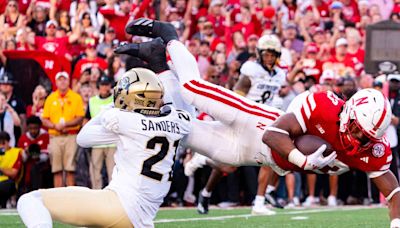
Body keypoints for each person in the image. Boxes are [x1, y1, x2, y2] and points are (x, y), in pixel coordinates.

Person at [122, 18, 400, 226]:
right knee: (192, 89)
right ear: (349, 112)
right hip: (254, 120)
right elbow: (273, 134)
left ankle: (158, 62)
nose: (358, 139)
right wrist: (303, 161)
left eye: (365, 136)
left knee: (180, 128)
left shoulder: (372, 149)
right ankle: (169, 35)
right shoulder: (323, 105)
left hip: (250, 155)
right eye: (355, 129)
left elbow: (394, 193)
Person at [17, 68, 192, 228]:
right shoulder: (180, 120)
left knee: (30, 200)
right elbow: (173, 108)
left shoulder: (124, 120)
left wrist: (108, 108)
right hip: (143, 217)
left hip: (119, 206)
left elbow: (83, 138)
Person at [41, 71, 85, 187]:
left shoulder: (76, 97)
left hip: (71, 135)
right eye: (60, 79)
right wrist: (55, 126)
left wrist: (66, 124)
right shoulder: (50, 98)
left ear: (68, 81)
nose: (62, 82)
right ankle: (58, 196)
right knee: (57, 169)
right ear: (56, 82)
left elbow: (80, 117)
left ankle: (70, 197)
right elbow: (44, 119)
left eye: (64, 79)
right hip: (55, 136)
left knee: (70, 168)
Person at [84, 75, 116, 189]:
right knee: (94, 172)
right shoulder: (92, 101)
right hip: (97, 141)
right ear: (98, 86)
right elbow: (86, 119)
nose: (104, 87)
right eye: (102, 85)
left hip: (112, 141)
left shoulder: (115, 99)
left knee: (113, 171)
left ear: (110, 86)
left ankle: (113, 194)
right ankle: (96, 195)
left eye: (106, 85)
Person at [17, 116, 51, 192]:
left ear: (39, 127)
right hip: (26, 171)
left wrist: (37, 156)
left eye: (35, 128)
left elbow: (46, 157)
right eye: (30, 128)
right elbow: (22, 159)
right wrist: (27, 152)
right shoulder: (23, 138)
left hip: (43, 171)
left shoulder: (46, 136)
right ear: (27, 128)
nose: (33, 131)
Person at [0, 131, 23, 208]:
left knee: (6, 185)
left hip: (9, 183)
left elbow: (14, 173)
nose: (1, 146)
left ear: (8, 141)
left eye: (3, 143)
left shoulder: (16, 152)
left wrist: (1, 169)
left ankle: (9, 202)